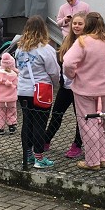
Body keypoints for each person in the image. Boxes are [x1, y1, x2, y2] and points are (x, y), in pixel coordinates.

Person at [62, 12, 105, 171]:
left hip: (84, 88)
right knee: (101, 122)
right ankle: (102, 157)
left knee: (88, 124)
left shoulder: (83, 41)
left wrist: (73, 75)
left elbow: (68, 62)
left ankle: (92, 161)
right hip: (104, 88)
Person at [15, 16, 61, 169]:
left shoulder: (20, 48)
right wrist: (55, 84)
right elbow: (54, 71)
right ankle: (39, 158)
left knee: (27, 123)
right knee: (40, 124)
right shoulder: (46, 49)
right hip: (41, 91)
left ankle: (27, 155)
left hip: (23, 90)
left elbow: (18, 67)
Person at [47, 12, 86, 157]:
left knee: (80, 118)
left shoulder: (86, 42)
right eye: (74, 23)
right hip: (65, 86)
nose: (76, 26)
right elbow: (61, 60)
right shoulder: (67, 40)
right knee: (56, 114)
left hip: (80, 88)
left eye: (80, 24)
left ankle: (77, 145)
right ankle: (46, 140)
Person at [0, 53, 19, 135]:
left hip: (0, 98)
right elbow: (17, 85)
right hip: (11, 98)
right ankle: (12, 126)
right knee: (11, 112)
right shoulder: (14, 75)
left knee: (0, 113)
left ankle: (0, 128)